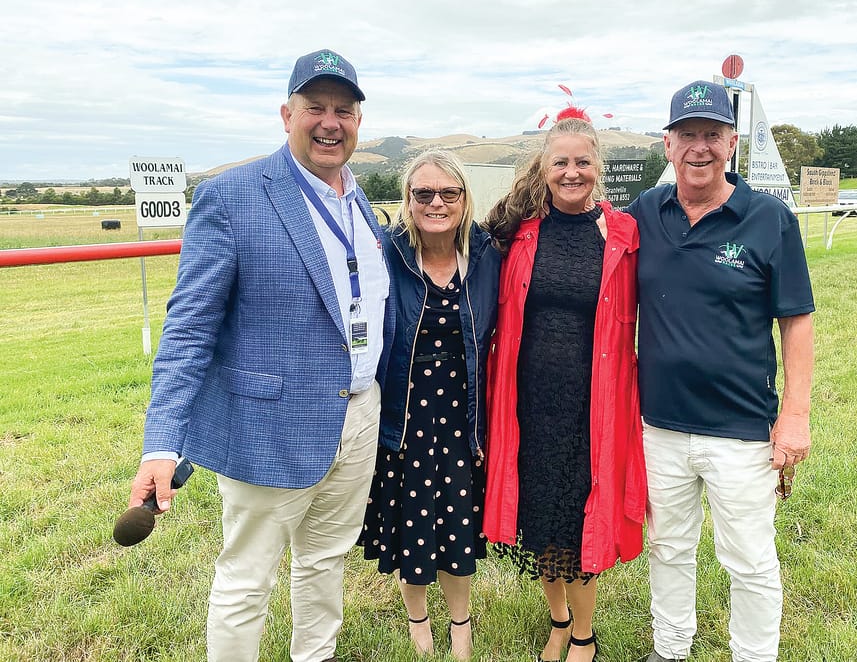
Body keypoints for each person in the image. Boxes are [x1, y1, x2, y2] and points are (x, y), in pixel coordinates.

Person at [127, 49, 393, 662]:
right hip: (266, 430)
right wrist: (162, 443)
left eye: (344, 111)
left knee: (324, 564)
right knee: (247, 579)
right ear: (286, 114)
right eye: (315, 108)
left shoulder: (364, 208)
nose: (330, 122)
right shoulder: (233, 197)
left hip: (357, 417)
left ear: (358, 122)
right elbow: (188, 329)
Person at [627, 80, 815, 662]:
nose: (699, 147)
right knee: (668, 548)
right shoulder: (643, 215)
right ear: (668, 144)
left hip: (741, 428)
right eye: (688, 135)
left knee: (750, 559)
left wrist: (795, 417)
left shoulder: (768, 218)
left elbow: (797, 322)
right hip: (659, 424)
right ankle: (670, 648)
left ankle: (754, 655)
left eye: (712, 134)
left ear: (731, 142)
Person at [482, 114, 646, 662]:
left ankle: (584, 634)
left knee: (579, 523)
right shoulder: (519, 233)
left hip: (591, 406)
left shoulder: (624, 234)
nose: (571, 172)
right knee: (540, 517)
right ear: (545, 168)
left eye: (582, 162)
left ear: (597, 167)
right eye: (561, 162)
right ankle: (557, 619)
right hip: (529, 405)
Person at [359, 150, 500, 660]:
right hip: (404, 418)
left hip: (463, 419)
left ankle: (460, 623)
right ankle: (418, 619)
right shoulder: (386, 253)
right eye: (424, 194)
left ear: (465, 199)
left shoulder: (486, 255)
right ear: (408, 200)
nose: (436, 203)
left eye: (449, 193)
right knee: (411, 525)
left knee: (457, 523)